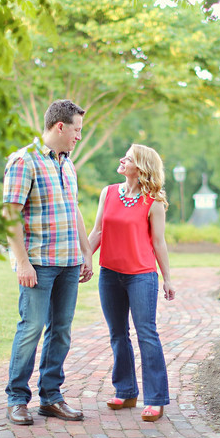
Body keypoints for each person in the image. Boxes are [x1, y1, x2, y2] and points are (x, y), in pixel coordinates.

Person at [2, 99, 93, 425]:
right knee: (31, 329)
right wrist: (22, 263)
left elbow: (74, 209)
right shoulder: (24, 161)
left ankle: (51, 397)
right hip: (38, 264)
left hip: (68, 263)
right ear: (60, 126)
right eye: (77, 130)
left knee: (61, 332)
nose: (78, 137)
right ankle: (17, 399)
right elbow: (9, 215)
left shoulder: (67, 164)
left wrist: (85, 252)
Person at [87, 144, 175, 422]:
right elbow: (97, 231)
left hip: (142, 276)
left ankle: (155, 399)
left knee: (146, 334)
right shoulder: (109, 192)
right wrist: (84, 259)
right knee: (117, 334)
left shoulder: (154, 201)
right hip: (109, 274)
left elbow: (159, 243)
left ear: (141, 166)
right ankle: (125, 392)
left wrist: (168, 278)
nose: (122, 159)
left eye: (129, 157)